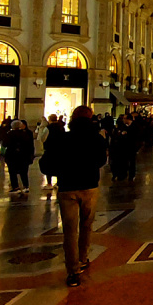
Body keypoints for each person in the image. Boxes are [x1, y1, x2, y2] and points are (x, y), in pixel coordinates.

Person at [54, 107, 109, 287]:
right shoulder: (97, 138)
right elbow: (102, 161)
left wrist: (62, 171)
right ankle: (83, 258)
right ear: (91, 118)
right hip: (89, 186)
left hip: (67, 188)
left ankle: (72, 272)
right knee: (86, 225)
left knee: (69, 231)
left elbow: (47, 164)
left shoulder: (62, 138)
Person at [3, 120, 35, 198]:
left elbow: (5, 144)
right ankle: (26, 186)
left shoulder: (9, 134)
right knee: (24, 172)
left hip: (12, 156)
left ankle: (15, 187)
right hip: (23, 156)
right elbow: (30, 145)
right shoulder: (25, 134)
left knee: (12, 172)